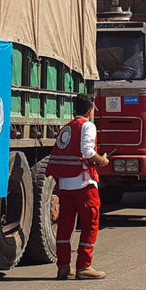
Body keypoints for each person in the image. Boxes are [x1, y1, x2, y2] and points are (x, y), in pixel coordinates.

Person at [46, 94, 109, 279]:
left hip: (66, 185)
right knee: (90, 223)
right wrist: (102, 160)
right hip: (84, 184)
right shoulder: (87, 126)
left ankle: (63, 266)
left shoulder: (66, 128)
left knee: (65, 226)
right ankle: (84, 266)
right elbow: (87, 151)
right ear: (90, 110)